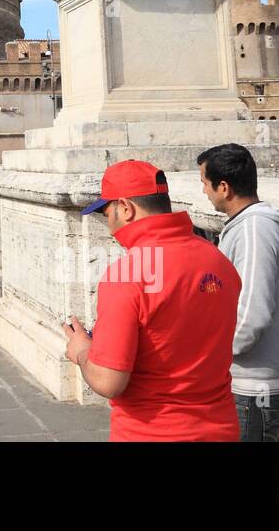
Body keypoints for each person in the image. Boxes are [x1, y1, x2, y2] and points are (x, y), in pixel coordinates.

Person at [62, 160, 241, 442]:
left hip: (152, 432)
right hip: (221, 429)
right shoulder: (217, 260)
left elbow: (109, 382)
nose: (109, 225)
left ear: (125, 208)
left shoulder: (127, 274)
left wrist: (82, 350)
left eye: (107, 213)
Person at [198, 143, 279, 442]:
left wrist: (208, 357)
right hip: (245, 382)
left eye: (205, 183)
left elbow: (252, 314)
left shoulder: (254, 231)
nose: (203, 191)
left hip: (252, 386)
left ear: (224, 187)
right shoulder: (245, 227)